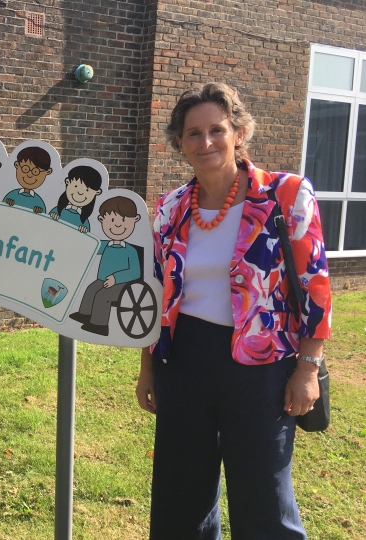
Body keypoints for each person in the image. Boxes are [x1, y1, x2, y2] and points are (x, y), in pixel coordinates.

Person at [135, 82, 331, 539]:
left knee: (264, 494)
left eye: (216, 130)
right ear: (180, 143)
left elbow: (316, 286)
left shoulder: (286, 195)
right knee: (180, 493)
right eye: (193, 133)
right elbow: (156, 294)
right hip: (183, 360)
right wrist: (148, 368)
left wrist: (307, 368)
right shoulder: (170, 208)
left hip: (262, 367)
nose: (205, 142)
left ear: (238, 133)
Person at [69, 196, 141, 335]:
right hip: (102, 280)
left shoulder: (131, 250)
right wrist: (82, 234)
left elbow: (135, 271)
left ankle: (100, 325)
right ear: (101, 220)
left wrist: (116, 278)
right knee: (91, 289)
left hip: (122, 284)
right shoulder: (105, 245)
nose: (117, 225)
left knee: (103, 295)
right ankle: (85, 314)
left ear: (135, 219)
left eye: (124, 220)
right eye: (112, 220)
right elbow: (91, 245)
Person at [49, 164, 103, 233]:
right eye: (76, 186)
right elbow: (47, 223)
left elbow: (86, 236)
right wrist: (53, 216)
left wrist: (84, 230)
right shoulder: (58, 210)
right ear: (68, 182)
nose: (80, 192)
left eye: (87, 190)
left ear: (97, 192)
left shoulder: (84, 220)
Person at [3, 146, 53, 214]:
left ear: (48, 172)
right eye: (25, 169)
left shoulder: (38, 201)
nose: (29, 175)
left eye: (35, 171)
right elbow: (3, 208)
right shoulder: (12, 195)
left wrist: (39, 211)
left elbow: (42, 216)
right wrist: (8, 203)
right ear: (17, 165)